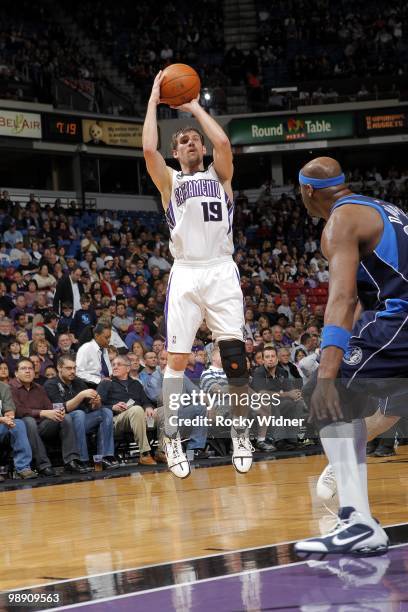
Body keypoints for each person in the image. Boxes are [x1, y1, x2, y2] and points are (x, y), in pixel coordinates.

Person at [143, 71, 251, 478]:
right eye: (183, 140)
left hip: (221, 269)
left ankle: (241, 431)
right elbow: (148, 148)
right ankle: (171, 437)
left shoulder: (220, 176)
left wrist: (193, 108)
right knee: (177, 359)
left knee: (236, 360)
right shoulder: (169, 181)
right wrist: (154, 100)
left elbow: (223, 142)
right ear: (176, 152)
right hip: (187, 272)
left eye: (195, 139)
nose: (191, 142)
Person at [294, 156, 398, 557]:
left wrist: (327, 374)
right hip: (391, 315)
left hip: (401, 315)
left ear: (307, 191)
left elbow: (342, 297)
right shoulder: (383, 209)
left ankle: (358, 523)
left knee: (324, 388)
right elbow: (362, 299)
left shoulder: (338, 222)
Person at [11, 358, 87, 476]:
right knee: (28, 421)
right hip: (23, 429)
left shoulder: (39, 388)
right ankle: (43, 465)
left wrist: (58, 412)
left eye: (30, 368)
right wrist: (42, 413)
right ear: (16, 373)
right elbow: (18, 411)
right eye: (23, 369)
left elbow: (49, 407)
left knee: (65, 417)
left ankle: (71, 461)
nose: (28, 371)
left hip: (43, 426)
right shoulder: (11, 387)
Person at [44, 355, 119, 470]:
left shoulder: (78, 382)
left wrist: (96, 402)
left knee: (105, 411)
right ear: (59, 368)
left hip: (84, 421)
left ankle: (105, 457)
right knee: (79, 414)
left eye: (74, 368)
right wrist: (81, 395)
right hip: (64, 423)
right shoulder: (51, 384)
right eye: (69, 368)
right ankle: (82, 459)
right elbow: (61, 409)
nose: (73, 371)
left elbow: (92, 407)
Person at [97, 355, 157, 465]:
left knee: (163, 412)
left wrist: (148, 407)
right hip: (118, 419)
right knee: (136, 409)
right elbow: (96, 407)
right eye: (113, 365)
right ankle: (144, 454)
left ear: (128, 368)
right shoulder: (106, 383)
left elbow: (145, 401)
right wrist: (112, 407)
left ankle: (161, 451)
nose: (115, 367)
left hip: (140, 417)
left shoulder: (136, 384)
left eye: (119, 365)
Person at [0, 381, 37, 480]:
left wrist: (9, 419)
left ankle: (23, 468)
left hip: (2, 424)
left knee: (18, 424)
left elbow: (9, 409)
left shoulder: (3, 387)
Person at [76, 322, 112, 387]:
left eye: (110, 337)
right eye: (106, 338)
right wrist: (99, 380)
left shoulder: (104, 348)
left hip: (106, 383)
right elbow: (78, 373)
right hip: (91, 385)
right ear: (96, 336)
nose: (109, 340)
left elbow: (108, 369)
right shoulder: (86, 348)